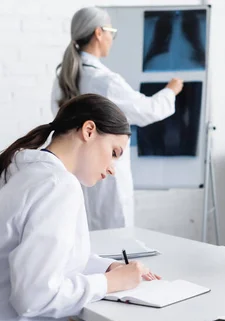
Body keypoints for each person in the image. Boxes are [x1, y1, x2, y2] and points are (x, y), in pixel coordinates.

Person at [0, 94, 188, 321]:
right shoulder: (58, 186)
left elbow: (46, 256)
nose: (113, 168)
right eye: (114, 152)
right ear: (89, 131)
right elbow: (33, 296)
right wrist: (109, 282)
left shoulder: (26, 172)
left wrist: (107, 267)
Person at [51, 6, 184, 231]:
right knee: (116, 238)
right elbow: (148, 110)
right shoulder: (105, 81)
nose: (112, 38)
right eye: (111, 31)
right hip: (107, 177)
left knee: (86, 236)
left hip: (76, 170)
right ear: (98, 33)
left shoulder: (64, 76)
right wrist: (171, 90)